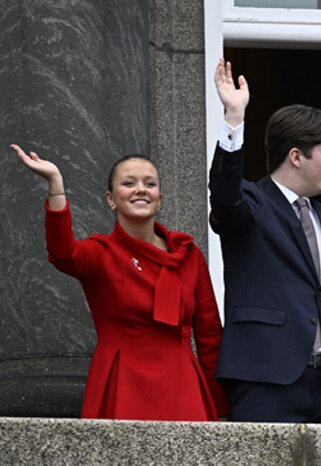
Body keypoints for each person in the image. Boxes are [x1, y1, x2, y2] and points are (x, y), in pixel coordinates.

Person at [209, 59, 321, 423]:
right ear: (297, 156)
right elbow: (224, 197)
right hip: (264, 381)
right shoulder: (251, 204)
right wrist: (233, 119)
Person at [10, 144, 227, 421]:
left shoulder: (188, 255)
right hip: (122, 383)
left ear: (160, 198)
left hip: (183, 387)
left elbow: (209, 337)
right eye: (129, 183)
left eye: (150, 184)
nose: (140, 189)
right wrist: (56, 184)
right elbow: (63, 254)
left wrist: (220, 408)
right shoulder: (102, 252)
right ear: (111, 199)